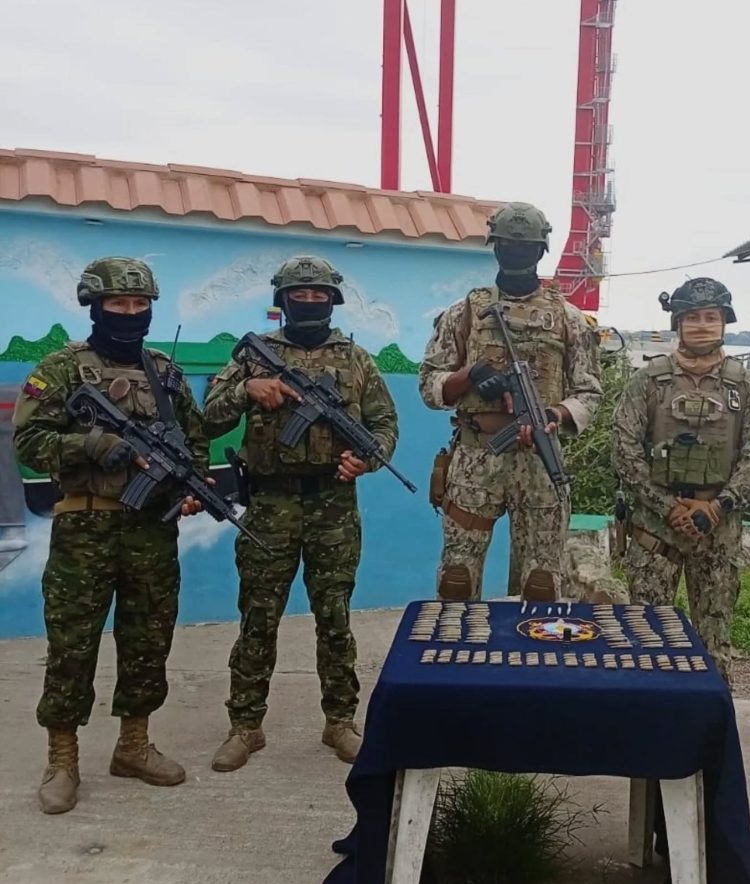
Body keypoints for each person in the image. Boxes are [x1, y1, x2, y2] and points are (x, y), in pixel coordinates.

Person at [12, 257, 209, 814]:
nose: (129, 314)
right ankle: (63, 758)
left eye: (139, 304)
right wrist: (88, 446)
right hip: (85, 526)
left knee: (149, 640)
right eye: (118, 304)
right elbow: (28, 441)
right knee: (72, 645)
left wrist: (188, 488)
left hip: (150, 532)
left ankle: (133, 745)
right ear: (94, 306)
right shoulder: (63, 368)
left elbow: (192, 443)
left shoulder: (165, 372)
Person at [203, 255, 398, 768]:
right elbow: (207, 416)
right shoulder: (254, 356)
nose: (309, 301)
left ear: (331, 300)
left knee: (334, 617)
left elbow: (385, 428)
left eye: (318, 294)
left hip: (334, 505)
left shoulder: (356, 360)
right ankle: (245, 725)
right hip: (270, 502)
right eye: (299, 293)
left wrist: (368, 458)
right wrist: (247, 389)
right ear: (282, 299)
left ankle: (340, 722)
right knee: (258, 619)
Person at [418, 201, 602, 602]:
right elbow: (429, 385)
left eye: (526, 246)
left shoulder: (568, 319)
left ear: (541, 250)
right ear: (494, 246)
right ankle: (457, 658)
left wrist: (554, 413)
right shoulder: (463, 313)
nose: (517, 252)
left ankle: (533, 662)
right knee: (457, 581)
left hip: (540, 459)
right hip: (475, 459)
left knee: (541, 584)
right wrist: (471, 374)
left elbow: (589, 391)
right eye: (508, 244)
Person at [612, 277, 750, 684]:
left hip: (717, 529)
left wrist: (717, 507)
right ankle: (644, 729)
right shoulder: (647, 381)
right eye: (692, 317)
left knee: (713, 646)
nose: (702, 325)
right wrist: (669, 508)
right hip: (655, 530)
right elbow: (624, 451)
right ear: (677, 323)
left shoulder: (746, 385)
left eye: (711, 317)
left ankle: (708, 738)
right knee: (646, 642)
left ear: (724, 322)